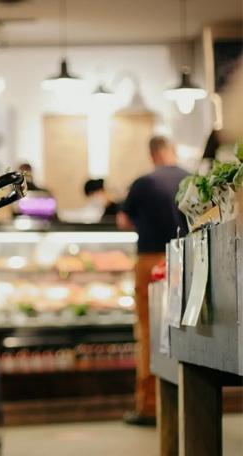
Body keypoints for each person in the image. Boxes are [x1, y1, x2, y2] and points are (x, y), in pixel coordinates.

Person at [117, 136, 189, 426]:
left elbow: (123, 221)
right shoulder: (190, 178)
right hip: (186, 259)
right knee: (186, 330)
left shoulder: (143, 183)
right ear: (172, 151)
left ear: (152, 154)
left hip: (151, 263)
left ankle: (149, 405)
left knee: (148, 332)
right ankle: (187, 399)